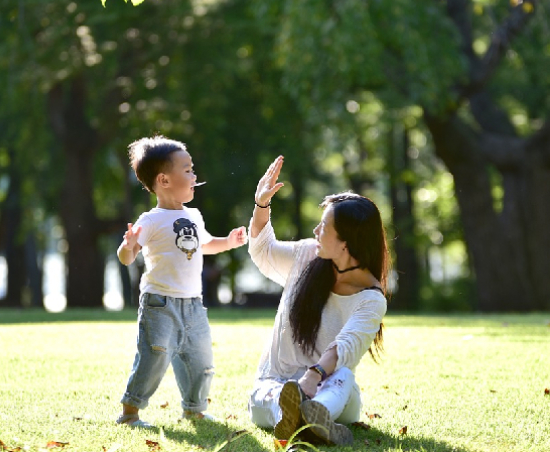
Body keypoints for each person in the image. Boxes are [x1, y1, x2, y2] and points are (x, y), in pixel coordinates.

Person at [246, 156, 389, 446]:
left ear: (346, 243)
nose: (315, 232)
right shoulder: (307, 255)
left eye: (324, 227)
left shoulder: (371, 298)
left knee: (344, 377)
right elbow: (264, 252)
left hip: (329, 389)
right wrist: (262, 206)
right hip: (276, 384)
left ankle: (316, 414)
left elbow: (345, 346)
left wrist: (313, 377)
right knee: (277, 394)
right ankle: (304, 420)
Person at [115, 135, 248, 428]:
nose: (194, 175)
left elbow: (206, 244)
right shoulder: (150, 220)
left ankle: (194, 408)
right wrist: (129, 245)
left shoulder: (194, 215)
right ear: (164, 180)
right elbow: (127, 258)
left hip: (193, 304)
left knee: (200, 359)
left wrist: (228, 241)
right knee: (154, 358)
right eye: (187, 170)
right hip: (159, 304)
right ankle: (130, 411)